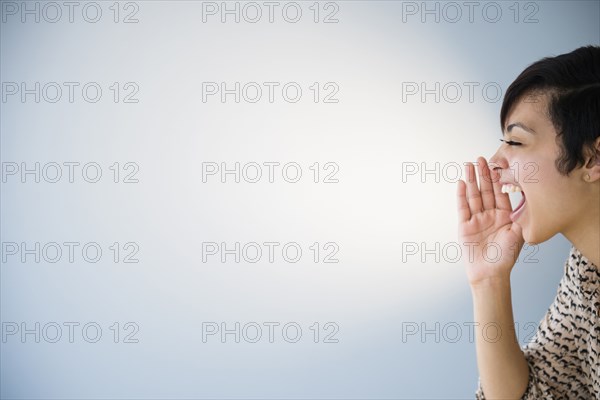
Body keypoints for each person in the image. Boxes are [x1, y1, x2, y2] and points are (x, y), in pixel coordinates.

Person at [456, 46, 600, 399]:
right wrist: (488, 280)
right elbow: (536, 394)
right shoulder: (586, 276)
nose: (493, 162)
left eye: (516, 141)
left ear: (593, 158)